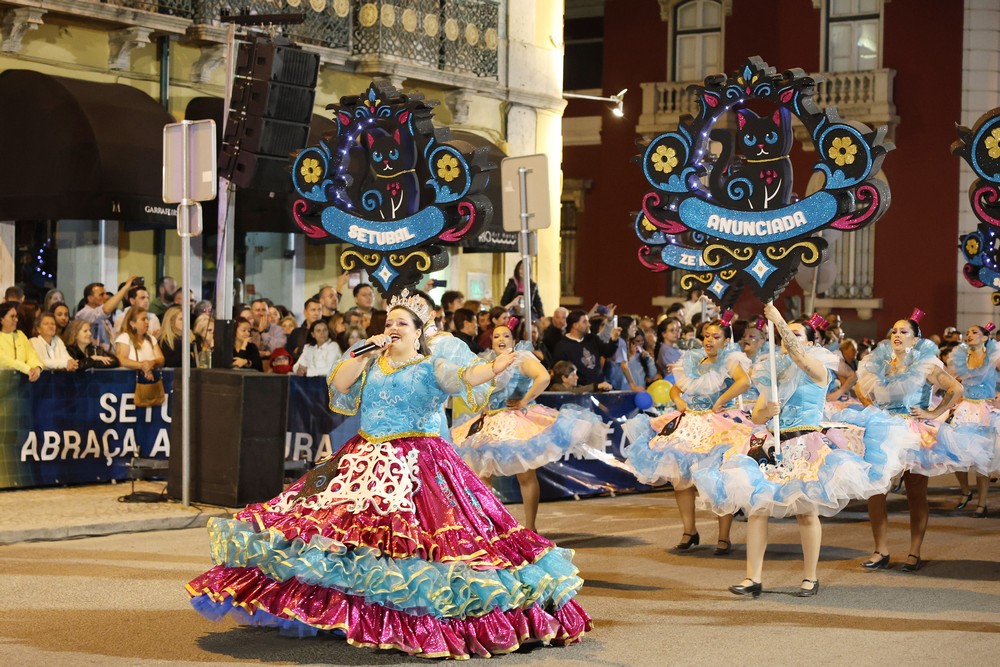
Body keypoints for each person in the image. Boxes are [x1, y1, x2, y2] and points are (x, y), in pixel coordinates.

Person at [185, 296, 592, 659]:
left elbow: (464, 379)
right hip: (364, 458)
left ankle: (413, 616)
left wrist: (495, 367)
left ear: (418, 334)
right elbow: (340, 384)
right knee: (339, 534)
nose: (393, 328)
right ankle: (346, 610)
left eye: (402, 323)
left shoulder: (432, 364)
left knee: (418, 543)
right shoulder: (370, 361)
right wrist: (362, 353)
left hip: (419, 461)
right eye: (389, 321)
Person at [695, 306, 900, 598]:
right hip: (773, 445)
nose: (786, 338)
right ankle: (752, 577)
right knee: (758, 510)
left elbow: (799, 357)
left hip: (806, 444)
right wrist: (767, 409)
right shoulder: (773, 372)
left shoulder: (817, 367)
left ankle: (809, 577)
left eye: (795, 334)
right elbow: (757, 417)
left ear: (811, 340)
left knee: (805, 511)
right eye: (784, 334)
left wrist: (777, 319)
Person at [841, 313, 992, 572]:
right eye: (894, 331)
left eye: (904, 332)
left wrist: (933, 413)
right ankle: (881, 550)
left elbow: (956, 389)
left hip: (913, 432)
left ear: (916, 338)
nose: (897, 335)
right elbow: (859, 388)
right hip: (884, 430)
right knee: (876, 491)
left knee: (915, 493)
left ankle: (914, 552)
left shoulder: (926, 365)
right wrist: (872, 410)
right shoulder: (880, 363)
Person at [452, 325, 605, 532]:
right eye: (496, 336)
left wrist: (524, 401)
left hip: (516, 421)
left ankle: (530, 527)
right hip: (490, 422)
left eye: (506, 335)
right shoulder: (487, 362)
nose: (500, 339)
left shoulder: (520, 359)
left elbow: (544, 378)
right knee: (482, 475)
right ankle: (489, 526)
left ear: (513, 340)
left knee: (525, 475)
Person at [622, 319, 752, 554]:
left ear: (726, 340)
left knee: (718, 479)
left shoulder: (730, 360)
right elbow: (676, 387)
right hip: (690, 422)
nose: (709, 340)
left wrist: (721, 401)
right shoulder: (694, 360)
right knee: (681, 478)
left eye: (715, 336)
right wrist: (679, 400)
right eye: (706, 336)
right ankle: (689, 531)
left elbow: (744, 382)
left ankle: (723, 537)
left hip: (718, 424)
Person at [947, 323, 1000, 518]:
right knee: (954, 453)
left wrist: (999, 398)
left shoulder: (993, 356)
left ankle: (982, 503)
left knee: (982, 460)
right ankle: (965, 491)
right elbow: (950, 381)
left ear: (985, 337)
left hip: (985, 410)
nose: (969, 335)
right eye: (968, 333)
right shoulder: (961, 357)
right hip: (965, 409)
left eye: (975, 332)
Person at [553, 309, 620, 387]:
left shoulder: (592, 339)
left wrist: (614, 340)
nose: (589, 325)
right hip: (579, 392)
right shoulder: (562, 347)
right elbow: (561, 373)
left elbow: (608, 352)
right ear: (575, 325)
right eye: (585, 322)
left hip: (600, 387)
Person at [76, 277, 138, 351]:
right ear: (90, 298)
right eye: (101, 295)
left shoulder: (105, 319)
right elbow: (105, 310)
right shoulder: (83, 314)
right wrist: (125, 288)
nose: (106, 297)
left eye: (105, 293)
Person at [114, 307, 165, 380]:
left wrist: (152, 363)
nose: (147, 322)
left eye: (147, 319)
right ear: (132, 323)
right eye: (143, 319)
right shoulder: (124, 338)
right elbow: (121, 360)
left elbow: (161, 359)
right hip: (129, 382)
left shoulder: (151, 339)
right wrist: (142, 366)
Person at [0, 302, 43, 381]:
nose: (16, 320)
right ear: (1, 319)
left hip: (21, 384)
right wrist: (26, 369)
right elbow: (3, 360)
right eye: (12, 317)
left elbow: (31, 355)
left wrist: (36, 368)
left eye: (16, 316)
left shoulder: (20, 335)